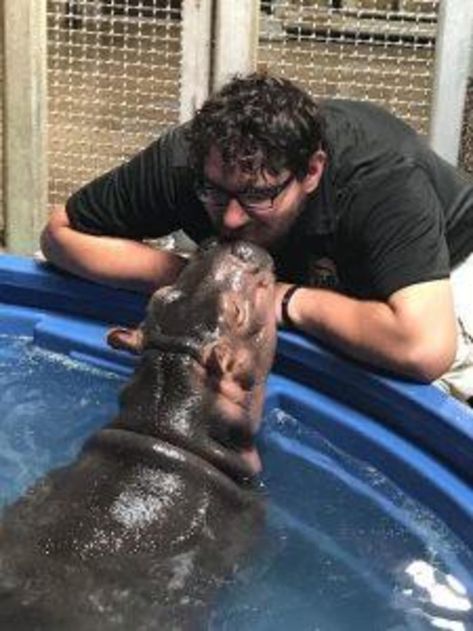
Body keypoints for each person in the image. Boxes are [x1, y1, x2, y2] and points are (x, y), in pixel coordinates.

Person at [40, 73, 473, 404]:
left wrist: (284, 301)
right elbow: (61, 235)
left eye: (257, 195)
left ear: (311, 172)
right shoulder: (189, 163)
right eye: (215, 192)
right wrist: (194, 276)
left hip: (442, 269)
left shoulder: (379, 181)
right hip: (291, 263)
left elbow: (424, 347)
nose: (229, 218)